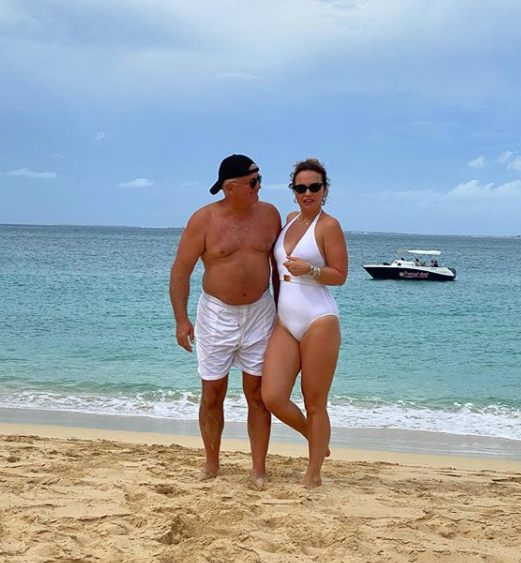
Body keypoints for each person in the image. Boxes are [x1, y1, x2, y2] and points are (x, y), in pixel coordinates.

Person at [170, 154, 281, 485]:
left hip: (261, 312)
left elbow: (279, 267)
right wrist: (181, 319)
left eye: (260, 179)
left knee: (258, 394)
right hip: (217, 313)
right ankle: (211, 463)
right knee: (213, 392)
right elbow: (181, 270)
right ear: (231, 188)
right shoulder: (203, 220)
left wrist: (285, 311)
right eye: (253, 182)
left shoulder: (270, 215)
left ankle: (258, 468)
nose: (259, 186)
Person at [261, 158, 348, 489]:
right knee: (273, 396)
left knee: (315, 401)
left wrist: (310, 271)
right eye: (301, 187)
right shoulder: (290, 219)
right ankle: (316, 439)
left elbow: (339, 275)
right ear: (293, 191)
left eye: (315, 187)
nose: (308, 192)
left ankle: (313, 475)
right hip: (286, 320)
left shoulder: (329, 226)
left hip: (319, 319)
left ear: (325, 190)